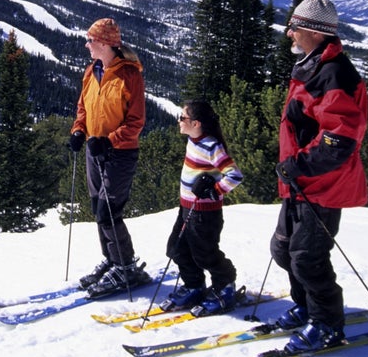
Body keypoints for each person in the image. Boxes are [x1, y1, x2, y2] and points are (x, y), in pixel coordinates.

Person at [270, 0, 368, 352]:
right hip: (300, 182)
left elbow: (339, 140)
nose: (289, 34)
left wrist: (298, 165)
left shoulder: (335, 74)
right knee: (282, 250)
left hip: (323, 185)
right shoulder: (312, 65)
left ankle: (327, 325)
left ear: (313, 31)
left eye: (294, 27)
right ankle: (309, 306)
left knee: (308, 257)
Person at [69, 18, 151, 297]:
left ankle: (126, 266)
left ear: (105, 43)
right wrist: (79, 131)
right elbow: (84, 108)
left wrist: (109, 141)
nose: (87, 44)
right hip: (95, 150)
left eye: (91, 40)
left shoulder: (130, 75)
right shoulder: (91, 71)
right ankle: (113, 259)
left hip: (120, 154)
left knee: (109, 212)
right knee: (97, 209)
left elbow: (136, 122)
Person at [161, 100, 244, 315]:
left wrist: (214, 190)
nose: (179, 121)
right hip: (187, 207)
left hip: (205, 214)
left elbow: (235, 175)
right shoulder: (193, 140)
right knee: (176, 249)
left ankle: (224, 286)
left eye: (183, 118)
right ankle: (194, 285)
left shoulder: (211, 146)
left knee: (205, 254)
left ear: (196, 123)